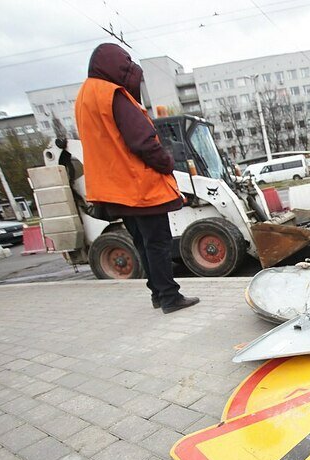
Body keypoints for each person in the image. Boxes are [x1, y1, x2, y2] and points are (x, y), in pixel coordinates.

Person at [75, 43, 199, 314]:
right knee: (158, 243)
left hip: (115, 188)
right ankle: (169, 296)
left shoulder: (86, 97)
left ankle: (157, 294)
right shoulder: (114, 95)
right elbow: (143, 142)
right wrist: (166, 162)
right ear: (119, 68)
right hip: (139, 186)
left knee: (142, 243)